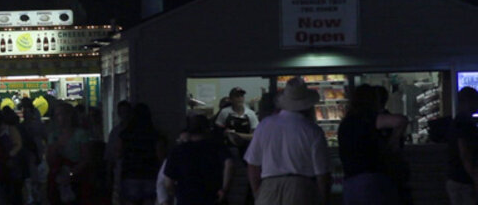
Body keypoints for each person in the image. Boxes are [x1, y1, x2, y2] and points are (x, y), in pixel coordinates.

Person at [244, 77, 332, 205]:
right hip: (301, 188)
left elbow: (253, 165)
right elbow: (322, 173)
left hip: (268, 187)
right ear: (308, 105)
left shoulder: (264, 125)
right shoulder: (312, 130)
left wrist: (258, 192)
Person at [338, 84, 408, 205]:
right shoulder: (368, 118)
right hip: (371, 180)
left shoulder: (346, 123)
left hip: (350, 181)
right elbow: (400, 120)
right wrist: (394, 140)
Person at [164, 115, 233, 205]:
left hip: (187, 198)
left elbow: (168, 183)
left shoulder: (178, 150)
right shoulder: (217, 146)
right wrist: (224, 189)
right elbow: (229, 164)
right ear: (207, 129)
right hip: (213, 198)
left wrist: (177, 194)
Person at [46, 102, 91, 205]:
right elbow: (50, 160)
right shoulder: (53, 136)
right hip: (58, 178)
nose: (58, 118)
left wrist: (71, 173)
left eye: (60, 114)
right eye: (56, 115)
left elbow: (86, 158)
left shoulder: (80, 134)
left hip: (77, 178)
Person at [118, 103, 162, 205]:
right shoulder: (155, 134)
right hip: (150, 174)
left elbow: (118, 153)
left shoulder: (125, 134)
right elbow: (160, 155)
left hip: (130, 173)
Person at [446, 86, 478, 205]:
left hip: (456, 178)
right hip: (464, 180)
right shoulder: (465, 124)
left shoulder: (458, 122)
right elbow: (465, 153)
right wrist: (475, 177)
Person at [106, 100, 133, 205]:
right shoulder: (116, 131)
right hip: (120, 171)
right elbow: (110, 155)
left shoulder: (118, 131)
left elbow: (110, 155)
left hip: (125, 171)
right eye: (122, 112)